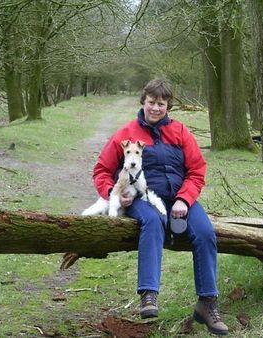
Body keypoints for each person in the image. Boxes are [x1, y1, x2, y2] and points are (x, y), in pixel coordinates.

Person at [91, 78, 228, 335]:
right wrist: (114, 195)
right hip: (143, 198)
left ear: (168, 106)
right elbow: (102, 170)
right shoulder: (125, 134)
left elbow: (197, 170)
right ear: (143, 102)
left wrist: (184, 199)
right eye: (151, 102)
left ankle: (207, 303)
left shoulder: (181, 132)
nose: (156, 108)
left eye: (161, 104)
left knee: (206, 232)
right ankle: (149, 294)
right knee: (152, 221)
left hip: (180, 198)